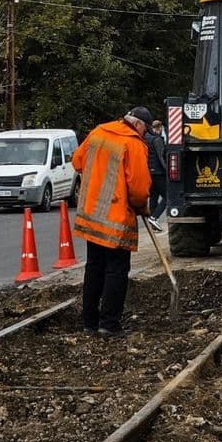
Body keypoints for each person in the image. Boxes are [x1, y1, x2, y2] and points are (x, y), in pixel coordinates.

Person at [71, 107, 153, 337]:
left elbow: (77, 161)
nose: (144, 135)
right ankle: (109, 324)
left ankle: (89, 322)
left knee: (94, 267)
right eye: (144, 130)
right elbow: (138, 187)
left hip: (91, 217)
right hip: (115, 221)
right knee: (116, 271)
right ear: (138, 125)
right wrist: (142, 206)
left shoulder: (98, 132)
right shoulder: (133, 144)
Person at [145, 119, 167, 231]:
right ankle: (154, 217)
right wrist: (167, 170)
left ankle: (153, 223)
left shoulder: (146, 138)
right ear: (159, 128)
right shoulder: (157, 140)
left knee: (153, 197)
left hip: (149, 172)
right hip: (158, 172)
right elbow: (161, 157)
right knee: (167, 197)